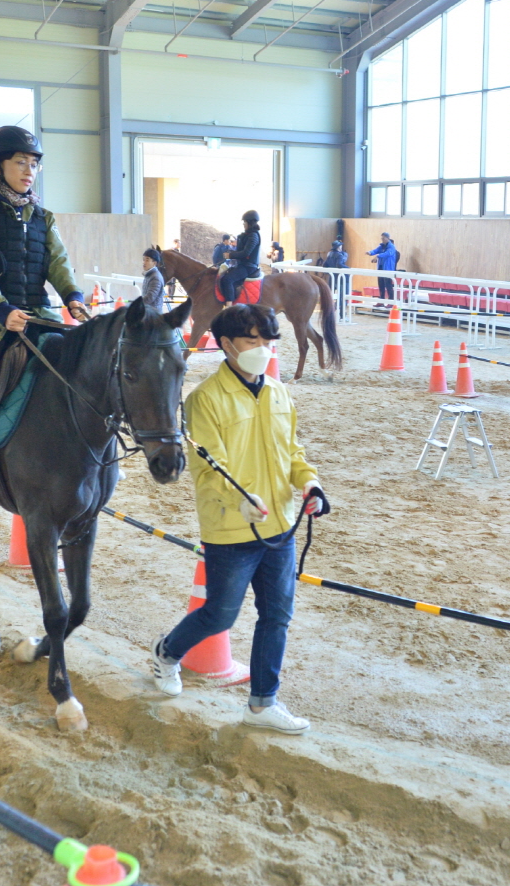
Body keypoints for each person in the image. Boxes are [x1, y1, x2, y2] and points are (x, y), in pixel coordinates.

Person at [149, 303, 330, 734]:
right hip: (230, 529)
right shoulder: (204, 400)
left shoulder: (279, 392)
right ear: (227, 344)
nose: (264, 347)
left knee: (277, 615)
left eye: (268, 339)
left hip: (280, 526)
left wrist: (310, 484)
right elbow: (208, 468)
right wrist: (240, 500)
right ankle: (166, 653)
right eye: (253, 339)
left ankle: (262, 704)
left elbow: (293, 452)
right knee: (220, 615)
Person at [0, 126, 88, 499]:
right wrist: (0, 308)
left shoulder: (42, 215)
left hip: (37, 311)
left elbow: (57, 261)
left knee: (77, 362)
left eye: (34, 164)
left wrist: (72, 296)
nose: (29, 170)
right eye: (21, 162)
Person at [217, 211, 263, 306]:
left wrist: (231, 256)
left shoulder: (253, 236)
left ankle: (229, 307)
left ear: (250, 222)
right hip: (243, 265)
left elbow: (246, 253)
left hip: (248, 267)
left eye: (245, 222)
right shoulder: (247, 235)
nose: (243, 224)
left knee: (227, 279)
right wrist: (230, 253)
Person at [368, 232, 399, 302]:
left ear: (388, 238)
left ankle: (391, 301)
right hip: (381, 268)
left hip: (388, 269)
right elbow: (376, 250)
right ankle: (381, 300)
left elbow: (387, 254)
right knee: (381, 285)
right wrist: (370, 252)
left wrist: (378, 256)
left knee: (388, 286)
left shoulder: (392, 247)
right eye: (381, 238)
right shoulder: (382, 246)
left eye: (383, 238)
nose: (382, 240)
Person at [141, 247, 168, 313]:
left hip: (153, 315)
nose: (144, 262)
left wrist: (137, 303)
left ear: (154, 263)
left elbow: (150, 297)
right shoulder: (149, 275)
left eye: (147, 260)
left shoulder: (156, 277)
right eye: (143, 260)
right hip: (148, 312)